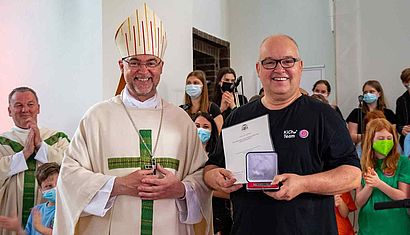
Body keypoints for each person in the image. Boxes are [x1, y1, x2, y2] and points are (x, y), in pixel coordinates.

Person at [53, 4, 212, 235]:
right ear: (121, 66)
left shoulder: (181, 121)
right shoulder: (96, 118)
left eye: (151, 63)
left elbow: (201, 178)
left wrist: (180, 189)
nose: (143, 71)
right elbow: (68, 179)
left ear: (161, 67)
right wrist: (118, 185)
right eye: (134, 62)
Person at [204, 34, 361, 234]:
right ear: (258, 69)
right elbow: (211, 167)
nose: (280, 69)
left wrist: (303, 184)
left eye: (288, 61)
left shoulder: (324, 116)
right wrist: (214, 177)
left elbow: (353, 176)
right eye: (270, 62)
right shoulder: (238, 117)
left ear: (300, 66)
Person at [0, 87, 69, 235]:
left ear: (38, 108)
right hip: (11, 214)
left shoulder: (58, 138)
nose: (25, 109)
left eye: (30, 104)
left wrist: (41, 147)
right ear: (9, 110)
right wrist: (23, 155)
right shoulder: (2, 142)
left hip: (49, 219)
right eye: (18, 105)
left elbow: (71, 167)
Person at [355, 118, 410, 234]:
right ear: (371, 140)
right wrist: (369, 186)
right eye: (381, 139)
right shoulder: (361, 164)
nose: (385, 141)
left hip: (396, 226)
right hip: (369, 227)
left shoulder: (403, 162)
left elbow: (403, 196)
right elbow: (359, 202)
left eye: (389, 138)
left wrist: (379, 184)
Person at [192, 113, 232, 235]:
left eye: (205, 127)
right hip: (192, 211)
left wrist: (202, 188)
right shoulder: (186, 155)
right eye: (197, 126)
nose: (201, 130)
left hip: (217, 214)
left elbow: (229, 192)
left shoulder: (218, 158)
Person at [0, 162, 60, 235]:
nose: (55, 188)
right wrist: (18, 229)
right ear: (40, 189)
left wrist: (39, 227)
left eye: (58, 184)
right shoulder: (37, 210)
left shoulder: (66, 210)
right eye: (49, 186)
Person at [346, 80, 396, 144]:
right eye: (365, 92)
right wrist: (371, 137)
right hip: (362, 147)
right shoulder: (356, 113)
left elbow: (394, 135)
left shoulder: (389, 113)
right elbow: (351, 136)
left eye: (371, 91)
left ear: (379, 94)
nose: (368, 94)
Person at [395, 67, 410, 149]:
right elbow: (398, 123)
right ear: (405, 83)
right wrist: (402, 129)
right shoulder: (401, 100)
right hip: (407, 140)